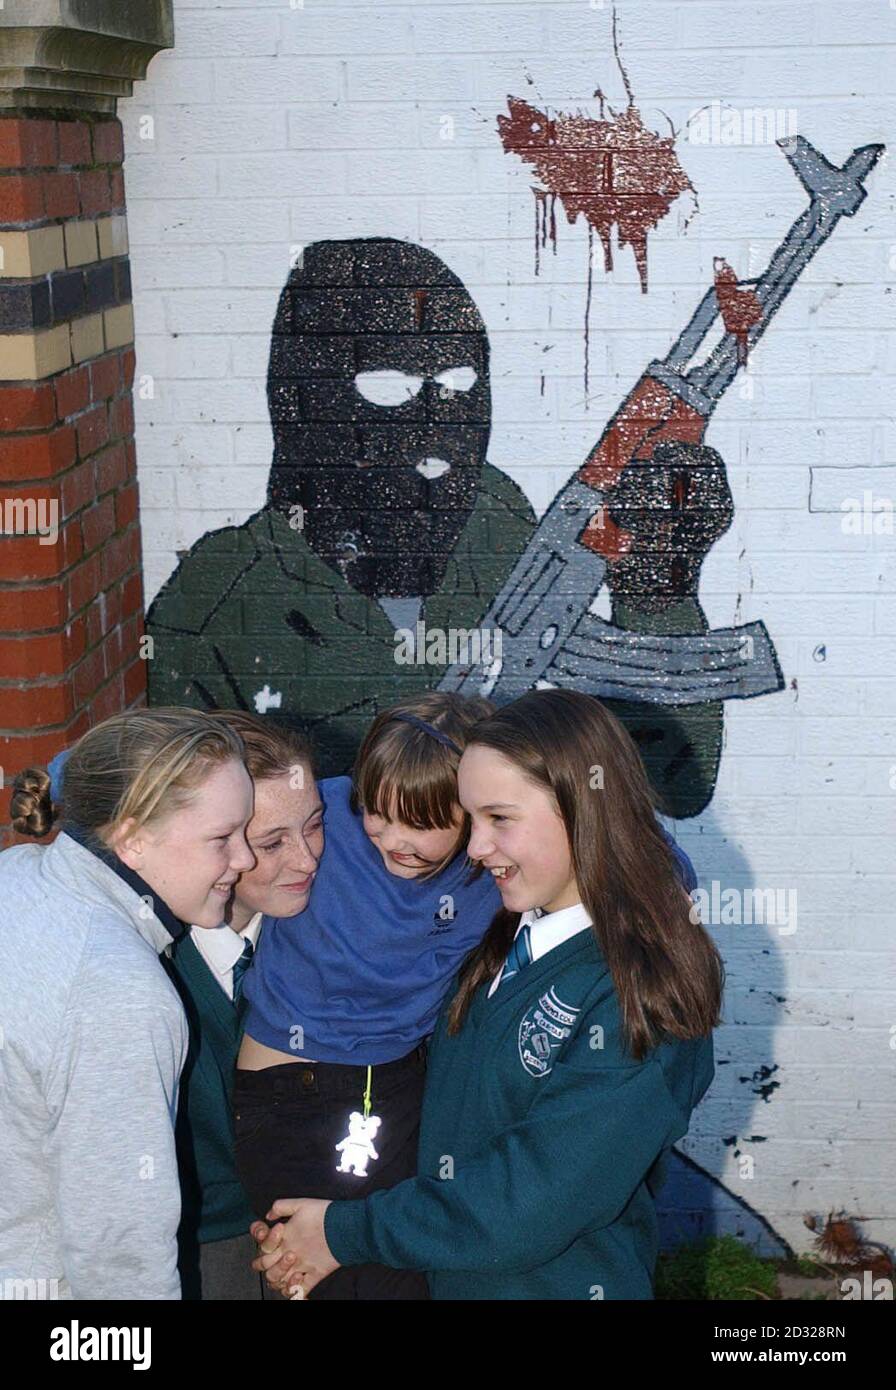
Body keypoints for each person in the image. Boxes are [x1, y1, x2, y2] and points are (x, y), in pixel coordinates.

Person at [251, 689, 722, 1300]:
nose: (473, 848)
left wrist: (344, 1233)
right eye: (469, 819)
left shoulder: (641, 991)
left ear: (582, 808)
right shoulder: (499, 933)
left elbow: (534, 1199)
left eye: (499, 819)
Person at [233, 691, 501, 1299]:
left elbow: (630, 853)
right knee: (331, 1277)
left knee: (401, 1272)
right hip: (292, 1091)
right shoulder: (318, 817)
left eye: (423, 823)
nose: (393, 840)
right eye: (377, 812)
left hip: (402, 1086)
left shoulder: (495, 858)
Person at [0, 709, 254, 1300]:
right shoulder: (120, 992)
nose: (244, 860)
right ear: (133, 840)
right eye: (222, 838)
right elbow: (120, 1251)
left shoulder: (15, 874)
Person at [164, 712, 322, 1300]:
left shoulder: (322, 927)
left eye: (315, 825)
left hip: (315, 1228)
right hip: (197, 1245)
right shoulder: (151, 966)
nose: (307, 860)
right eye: (272, 842)